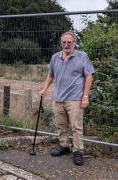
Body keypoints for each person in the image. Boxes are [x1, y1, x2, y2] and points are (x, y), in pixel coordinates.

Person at [39, 31, 94, 166]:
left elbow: (89, 76)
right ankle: (64, 146)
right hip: (58, 98)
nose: (66, 45)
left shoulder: (82, 56)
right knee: (61, 125)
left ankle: (78, 152)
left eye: (69, 42)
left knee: (76, 127)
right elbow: (51, 75)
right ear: (61, 43)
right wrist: (45, 88)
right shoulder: (55, 57)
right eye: (64, 42)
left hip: (75, 98)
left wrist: (85, 96)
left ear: (74, 43)